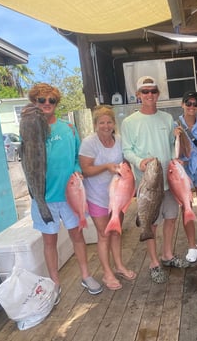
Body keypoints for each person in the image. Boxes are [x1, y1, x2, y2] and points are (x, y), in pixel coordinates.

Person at [26, 83, 103, 303]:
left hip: (71, 195)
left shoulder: (68, 128)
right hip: (44, 198)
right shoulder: (30, 131)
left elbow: (78, 157)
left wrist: (78, 173)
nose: (47, 104)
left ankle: (86, 275)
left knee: (77, 236)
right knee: (49, 241)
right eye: (41, 100)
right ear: (34, 103)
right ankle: (55, 283)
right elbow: (28, 162)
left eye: (52, 100)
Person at [121, 76, 189, 284]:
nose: (149, 95)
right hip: (147, 186)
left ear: (158, 94)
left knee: (170, 218)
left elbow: (171, 145)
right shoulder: (129, 122)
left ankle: (167, 255)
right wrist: (139, 162)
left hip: (169, 181)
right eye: (145, 91)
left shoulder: (167, 119)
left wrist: (177, 154)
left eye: (153, 91)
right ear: (138, 95)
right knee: (151, 223)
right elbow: (127, 150)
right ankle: (153, 262)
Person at [79, 105, 137, 291]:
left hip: (118, 195)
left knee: (116, 231)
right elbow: (86, 170)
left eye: (109, 122)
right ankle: (107, 273)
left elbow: (126, 162)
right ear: (95, 124)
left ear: (114, 124)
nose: (106, 125)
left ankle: (119, 266)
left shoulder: (120, 140)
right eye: (101, 122)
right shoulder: (89, 143)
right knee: (104, 234)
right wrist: (106, 167)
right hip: (97, 196)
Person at [175, 91, 197, 263]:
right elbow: (172, 149)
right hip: (184, 169)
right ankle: (191, 245)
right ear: (182, 105)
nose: (191, 107)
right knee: (186, 207)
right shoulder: (176, 124)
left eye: (195, 104)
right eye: (188, 103)